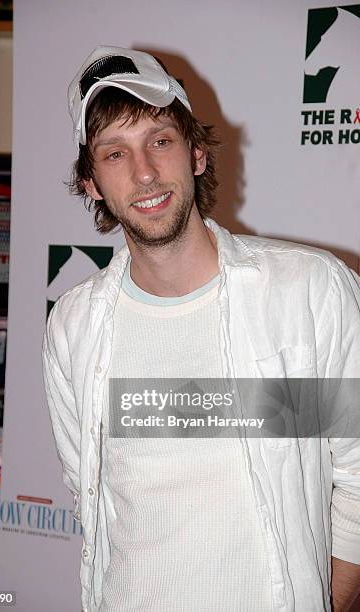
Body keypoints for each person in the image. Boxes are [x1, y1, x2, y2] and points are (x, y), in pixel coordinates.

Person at [42, 46, 360, 612]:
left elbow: (358, 483)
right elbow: (90, 497)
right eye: (115, 153)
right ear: (91, 183)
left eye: (160, 141)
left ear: (195, 153)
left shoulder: (305, 293)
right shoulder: (73, 326)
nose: (144, 173)